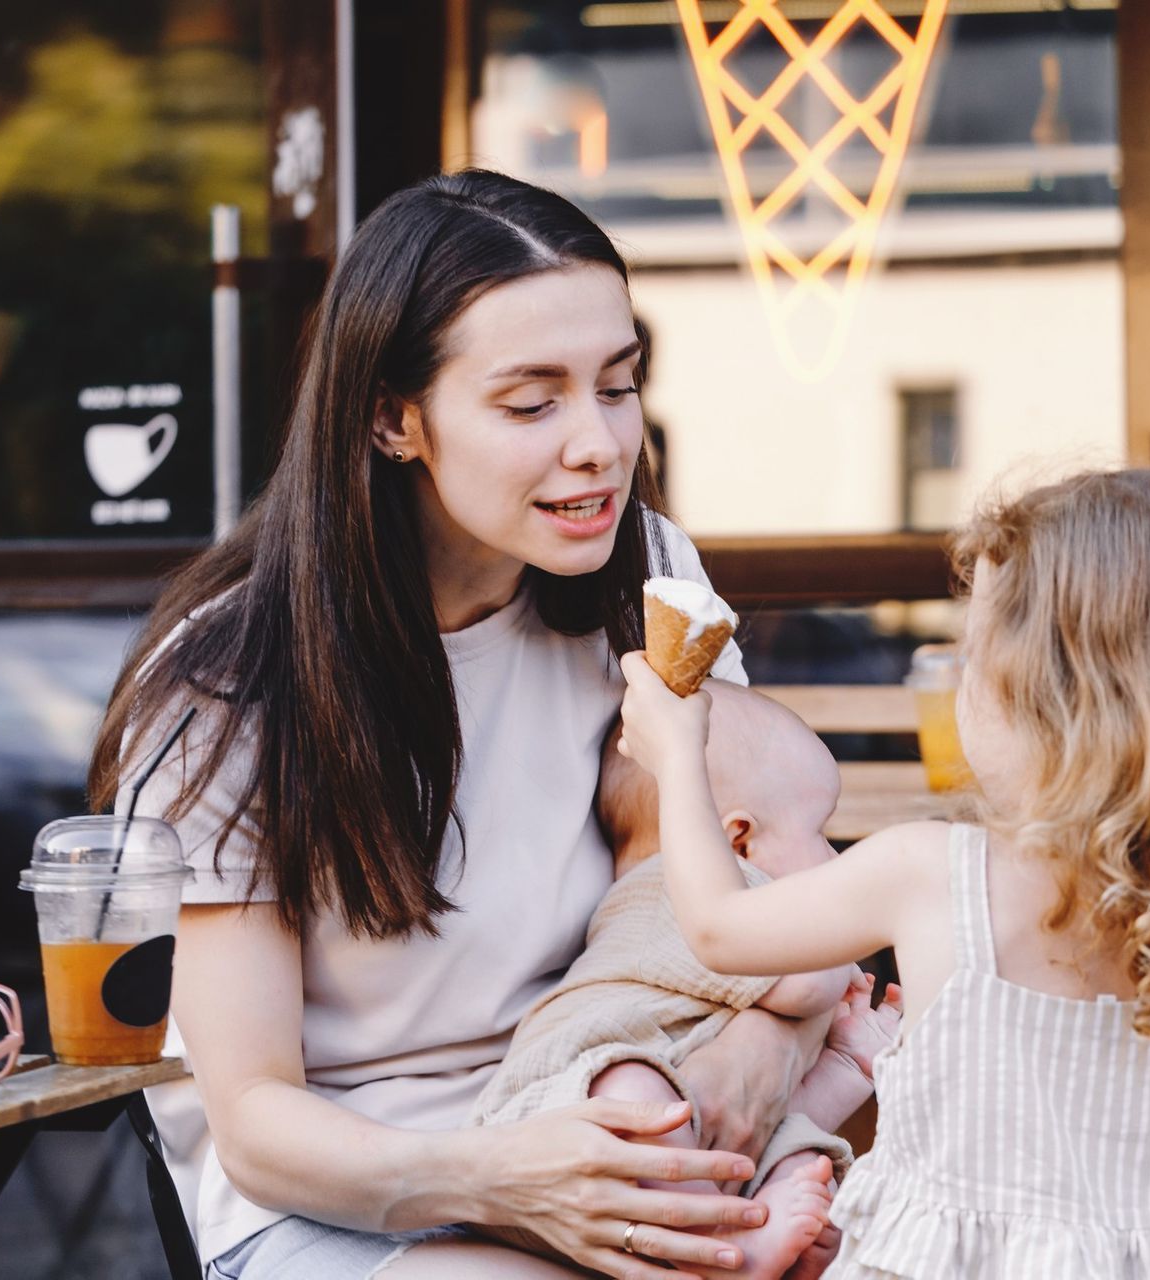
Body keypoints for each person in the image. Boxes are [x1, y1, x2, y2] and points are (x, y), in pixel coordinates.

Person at [87, 170, 841, 1280]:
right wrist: (521, 1181)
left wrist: (763, 1051)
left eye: (619, 385)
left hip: (614, 1094)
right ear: (395, 417)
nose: (597, 443)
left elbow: (758, 899)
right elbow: (252, 1117)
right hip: (363, 1197)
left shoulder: (652, 584)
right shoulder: (232, 684)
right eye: (533, 402)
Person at [618, 467, 1150, 1278]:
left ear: (1052, 700)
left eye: (977, 653)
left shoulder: (929, 872)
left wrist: (677, 755)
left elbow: (719, 928)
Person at [473, 681, 906, 1279]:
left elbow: (761, 1103)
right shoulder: (679, 888)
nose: (836, 860)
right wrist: (851, 939)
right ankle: (724, 1245)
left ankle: (749, 1226)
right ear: (737, 841)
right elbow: (809, 982)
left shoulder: (732, 945)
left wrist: (850, 1061)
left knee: (781, 1143)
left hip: (667, 1149)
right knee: (633, 1092)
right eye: (821, 834)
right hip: (555, 1131)